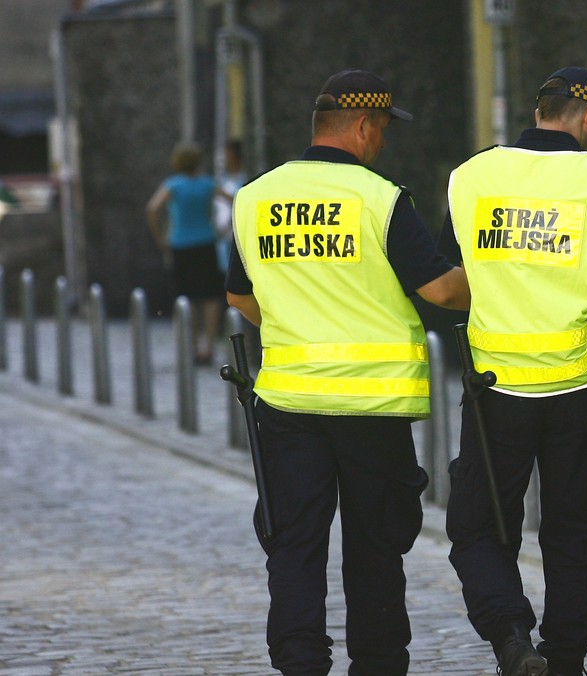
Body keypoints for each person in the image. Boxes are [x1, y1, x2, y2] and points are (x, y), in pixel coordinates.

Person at [225, 69, 470, 676]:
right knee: (376, 548)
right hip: (373, 408)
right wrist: (500, 279)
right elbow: (441, 289)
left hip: (287, 407)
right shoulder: (380, 198)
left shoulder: (256, 196)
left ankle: (300, 662)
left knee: (293, 546)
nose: (383, 143)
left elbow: (240, 299)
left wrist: (294, 323)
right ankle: (379, 665)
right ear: (364, 126)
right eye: (383, 129)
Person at [440, 66, 587, 676]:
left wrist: (496, 290)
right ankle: (566, 657)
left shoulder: (472, 176)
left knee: (481, 526)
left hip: (497, 388)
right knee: (570, 531)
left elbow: (448, 284)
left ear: (541, 110)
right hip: (578, 385)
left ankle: (512, 637)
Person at [145, 142, 230, 363]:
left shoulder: (173, 185)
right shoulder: (208, 184)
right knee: (211, 296)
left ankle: (192, 346)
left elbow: (153, 209)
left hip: (181, 245)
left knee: (188, 297)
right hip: (206, 242)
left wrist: (161, 239)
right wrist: (224, 228)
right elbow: (235, 201)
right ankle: (209, 346)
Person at [214, 139, 247, 275]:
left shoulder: (244, 179)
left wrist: (229, 224)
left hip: (235, 233)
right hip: (220, 236)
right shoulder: (221, 180)